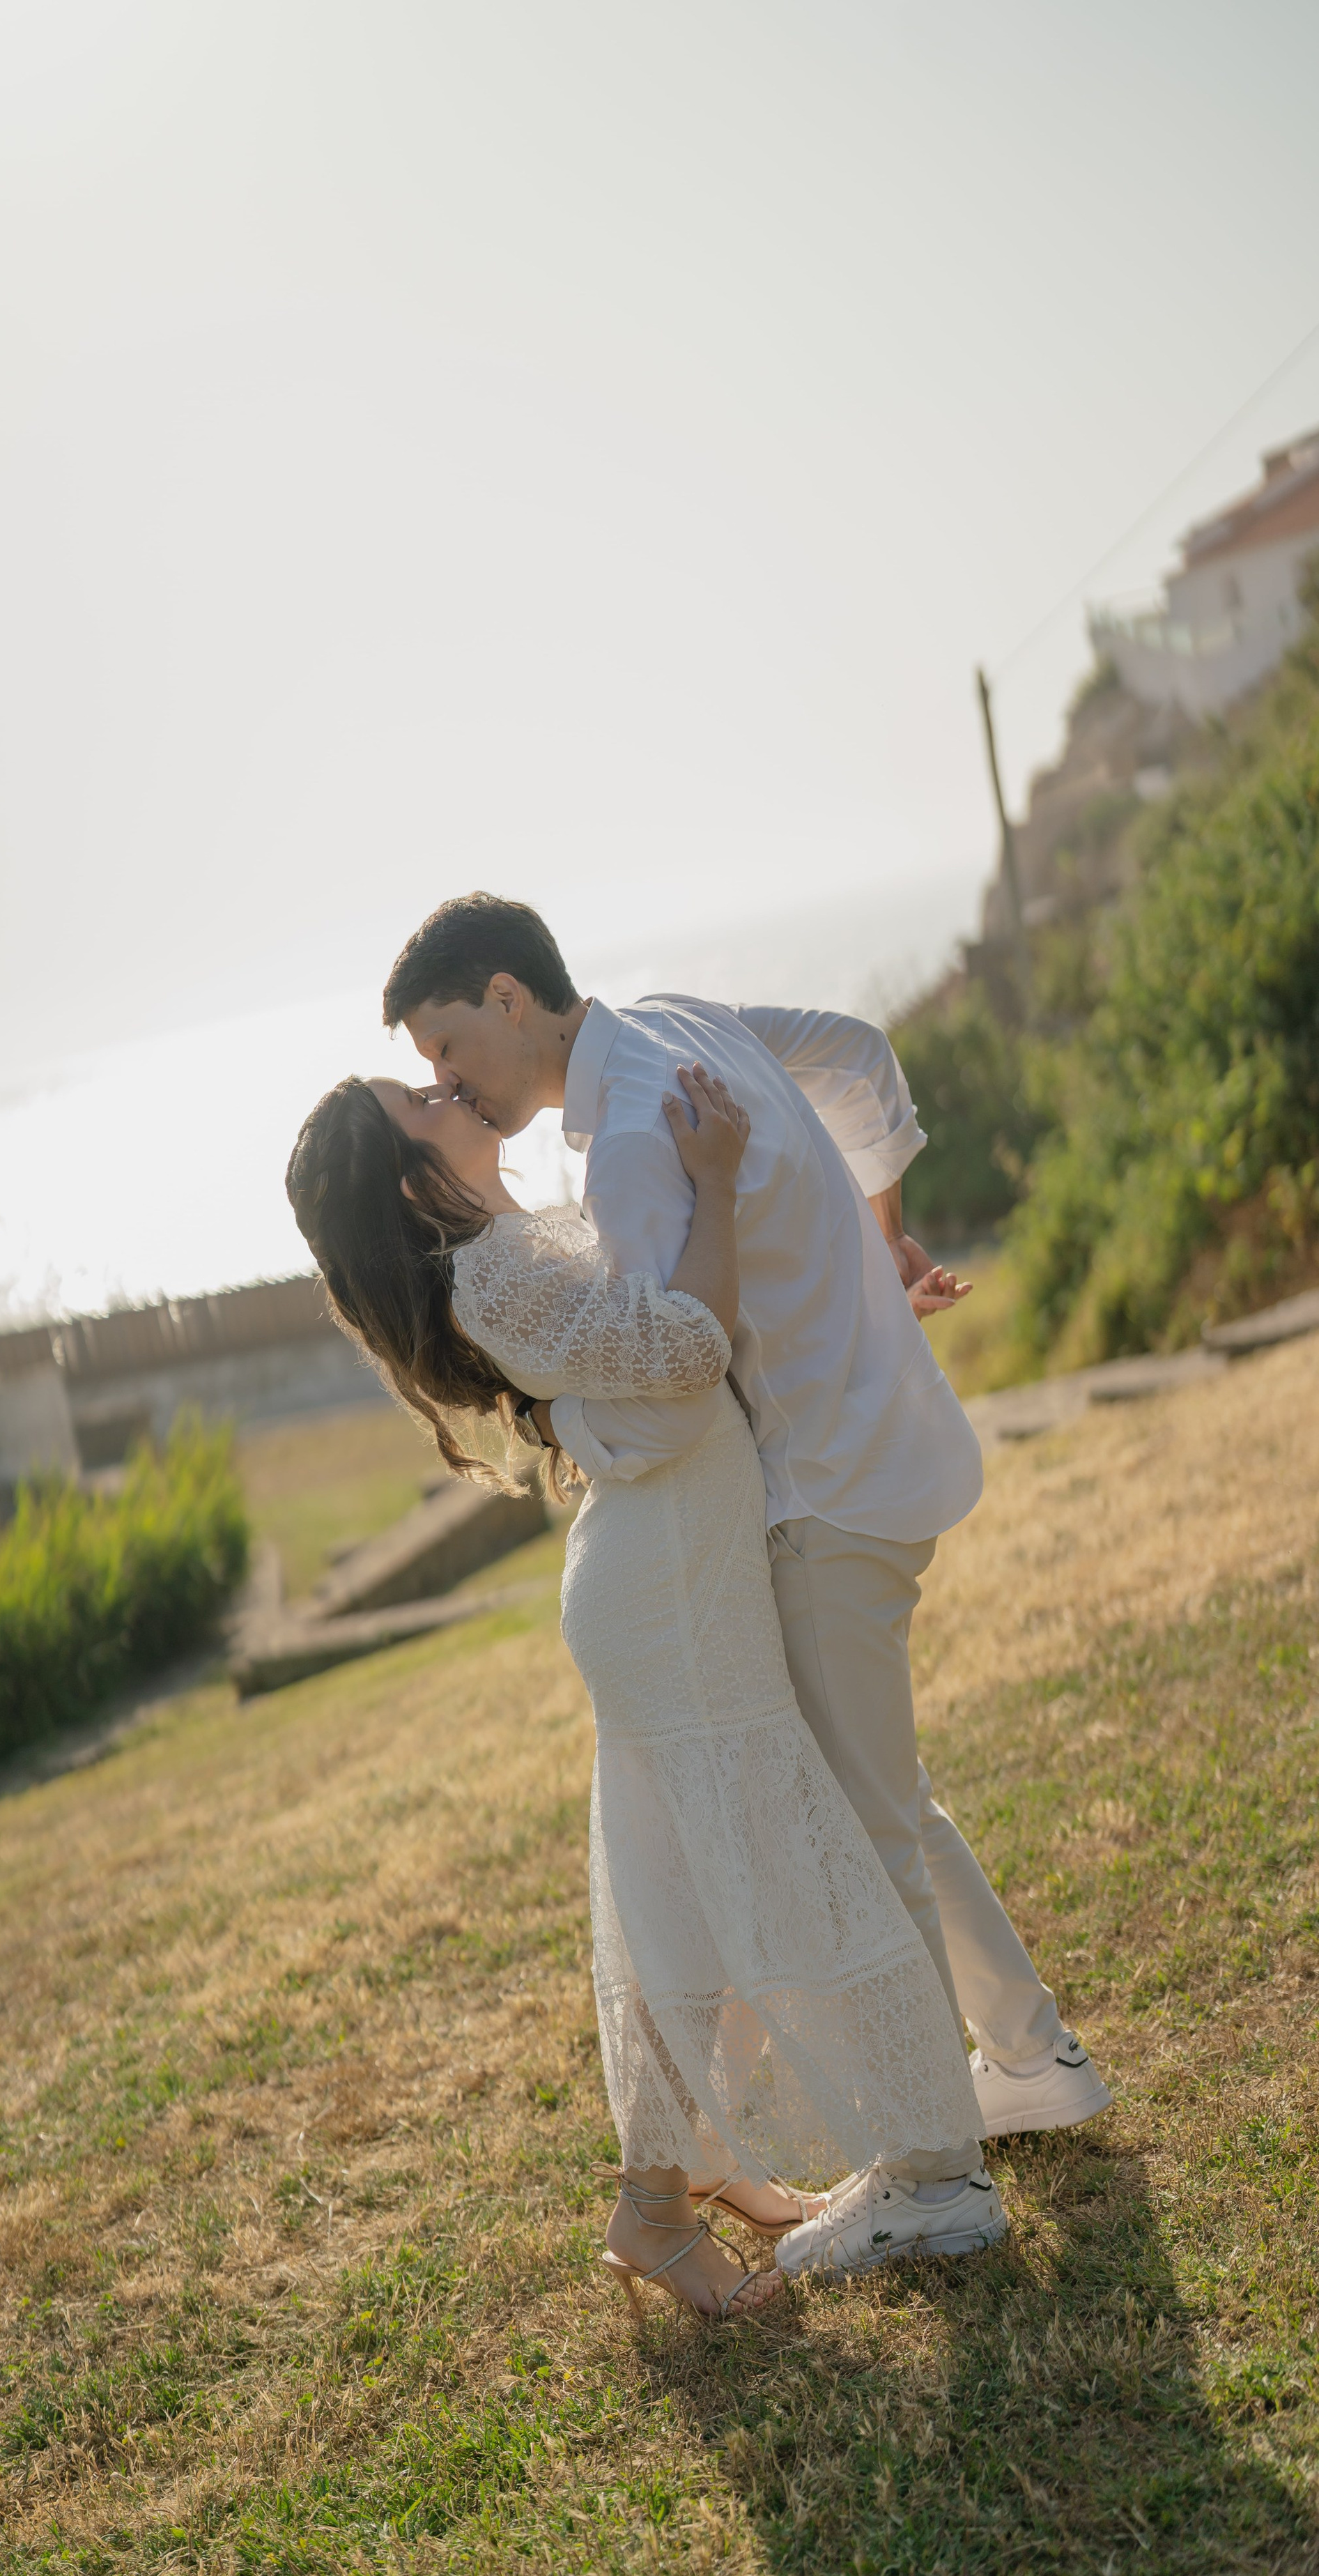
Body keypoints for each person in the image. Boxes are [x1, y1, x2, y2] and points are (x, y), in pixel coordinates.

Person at [378, 894, 1111, 2280]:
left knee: (859, 1823)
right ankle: (1029, 2058)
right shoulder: (670, 1027)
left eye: (446, 1039)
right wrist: (878, 1226)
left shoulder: (638, 1143)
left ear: (507, 995)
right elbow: (852, 1051)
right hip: (872, 1447)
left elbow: (672, 1375)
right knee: (878, 1792)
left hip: (820, 1496)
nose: (445, 1076)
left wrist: (588, 1429)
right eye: (424, 1065)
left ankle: (929, 2181)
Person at [286, 1057, 993, 2317]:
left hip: (667, 1573)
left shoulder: (514, 1239)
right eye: (422, 1102)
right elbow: (680, 1358)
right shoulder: (491, 1267)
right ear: (413, 1174)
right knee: (701, 1891)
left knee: (690, 1887)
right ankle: (665, 2204)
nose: (450, 1091)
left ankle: (682, 2180)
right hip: (664, 1587)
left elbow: (663, 1365)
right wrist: (716, 1183)